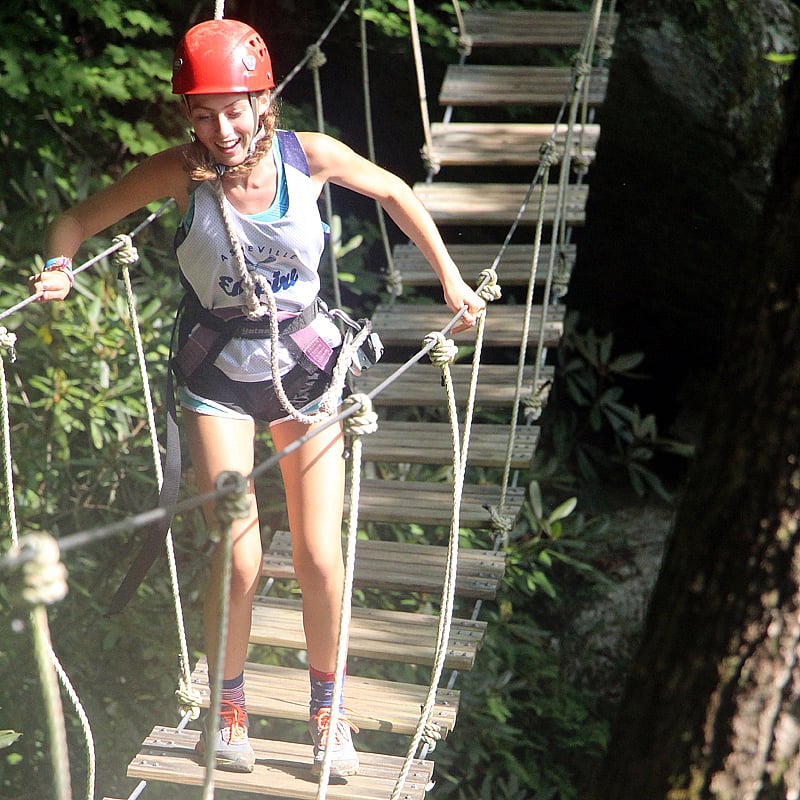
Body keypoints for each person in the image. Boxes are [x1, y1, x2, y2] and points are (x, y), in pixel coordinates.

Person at [30, 18, 485, 778]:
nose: (219, 127)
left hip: (308, 368)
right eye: (201, 112)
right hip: (218, 377)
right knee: (237, 558)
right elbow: (77, 220)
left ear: (261, 98)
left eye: (232, 108)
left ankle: (326, 707)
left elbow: (397, 190)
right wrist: (57, 265)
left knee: (317, 554)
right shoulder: (179, 172)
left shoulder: (309, 156)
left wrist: (450, 277)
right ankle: (228, 702)